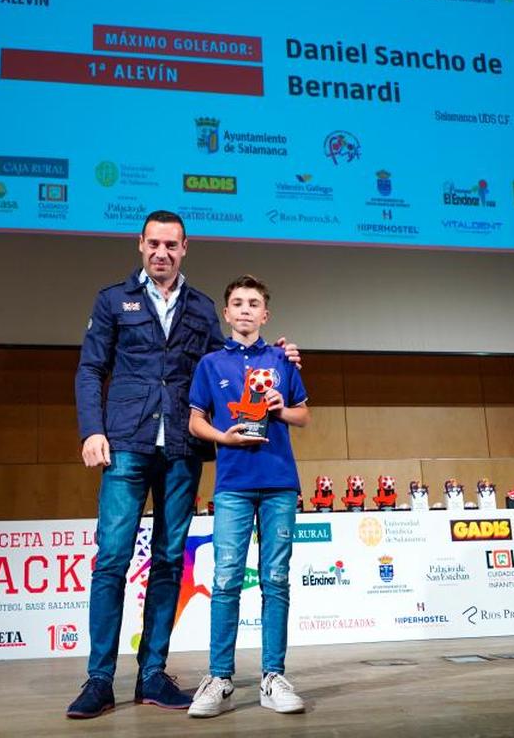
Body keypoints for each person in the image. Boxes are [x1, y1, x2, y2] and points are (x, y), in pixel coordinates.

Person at [69, 211, 299, 718]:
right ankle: (99, 679)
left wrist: (277, 356)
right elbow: (90, 368)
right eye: (154, 244)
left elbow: (229, 359)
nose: (162, 253)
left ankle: (153, 674)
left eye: (171, 245)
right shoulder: (113, 300)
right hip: (126, 443)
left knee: (170, 562)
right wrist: (92, 429)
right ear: (140, 245)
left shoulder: (199, 307)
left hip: (180, 450)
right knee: (111, 560)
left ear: (185, 248)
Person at [185, 275, 309, 717]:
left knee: (275, 579)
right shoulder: (211, 364)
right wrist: (224, 437)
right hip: (233, 485)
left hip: (279, 482)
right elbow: (195, 421)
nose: (244, 310)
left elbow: (304, 415)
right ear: (226, 312)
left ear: (265, 314)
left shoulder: (283, 359)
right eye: (237, 303)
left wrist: (280, 408)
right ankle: (220, 678)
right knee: (224, 580)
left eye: (253, 303)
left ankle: (273, 676)